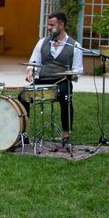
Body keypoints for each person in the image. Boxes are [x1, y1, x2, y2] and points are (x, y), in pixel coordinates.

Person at [22, 12, 83, 144]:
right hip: (43, 80)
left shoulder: (74, 45)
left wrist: (71, 75)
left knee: (66, 97)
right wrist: (30, 72)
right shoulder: (42, 42)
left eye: (52, 25)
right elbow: (33, 62)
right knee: (22, 96)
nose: (48, 27)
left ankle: (66, 135)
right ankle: (24, 134)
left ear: (61, 25)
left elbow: (78, 70)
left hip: (62, 82)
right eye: (48, 24)